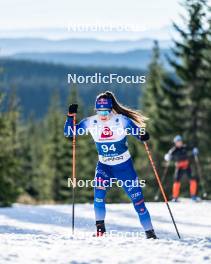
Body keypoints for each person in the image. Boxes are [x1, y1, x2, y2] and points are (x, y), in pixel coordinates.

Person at [64, 91, 157, 239]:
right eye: (100, 111)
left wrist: (143, 135)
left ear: (111, 108)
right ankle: (100, 230)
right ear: (96, 109)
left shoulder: (121, 120)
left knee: (138, 202)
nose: (103, 114)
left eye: (106, 110)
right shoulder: (91, 122)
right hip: (104, 166)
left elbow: (138, 132)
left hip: (124, 168)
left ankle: (150, 234)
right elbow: (70, 133)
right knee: (98, 197)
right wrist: (70, 116)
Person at [164, 135, 199, 202]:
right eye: (177, 142)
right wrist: (167, 157)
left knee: (193, 180)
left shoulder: (185, 147)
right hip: (179, 167)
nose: (179, 143)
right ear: (175, 143)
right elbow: (168, 155)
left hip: (187, 165)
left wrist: (194, 150)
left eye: (180, 141)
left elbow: (192, 149)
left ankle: (193, 196)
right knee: (176, 181)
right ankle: (175, 197)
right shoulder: (174, 150)